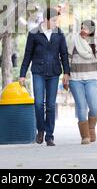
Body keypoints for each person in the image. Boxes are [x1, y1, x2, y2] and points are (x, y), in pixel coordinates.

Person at [19, 8, 70, 146]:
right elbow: (27, 55)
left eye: (56, 20)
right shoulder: (34, 33)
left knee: (51, 105)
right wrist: (22, 74)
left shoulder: (59, 33)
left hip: (54, 72)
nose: (55, 23)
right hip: (38, 72)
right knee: (38, 103)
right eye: (53, 20)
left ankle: (49, 136)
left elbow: (64, 54)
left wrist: (67, 73)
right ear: (46, 20)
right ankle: (40, 130)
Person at [65, 20, 97, 145]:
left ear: (91, 30)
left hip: (91, 78)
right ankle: (85, 136)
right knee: (81, 106)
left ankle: (91, 129)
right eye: (82, 27)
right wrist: (66, 75)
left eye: (86, 28)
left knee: (94, 107)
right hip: (75, 78)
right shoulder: (74, 40)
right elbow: (67, 57)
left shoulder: (96, 41)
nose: (83, 29)